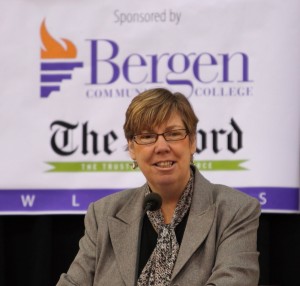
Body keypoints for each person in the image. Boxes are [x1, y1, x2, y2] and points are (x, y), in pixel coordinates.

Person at [57, 88, 261, 286]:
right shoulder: (103, 214)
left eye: (173, 134)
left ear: (192, 142)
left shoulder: (236, 210)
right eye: (147, 136)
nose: (162, 147)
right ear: (131, 148)